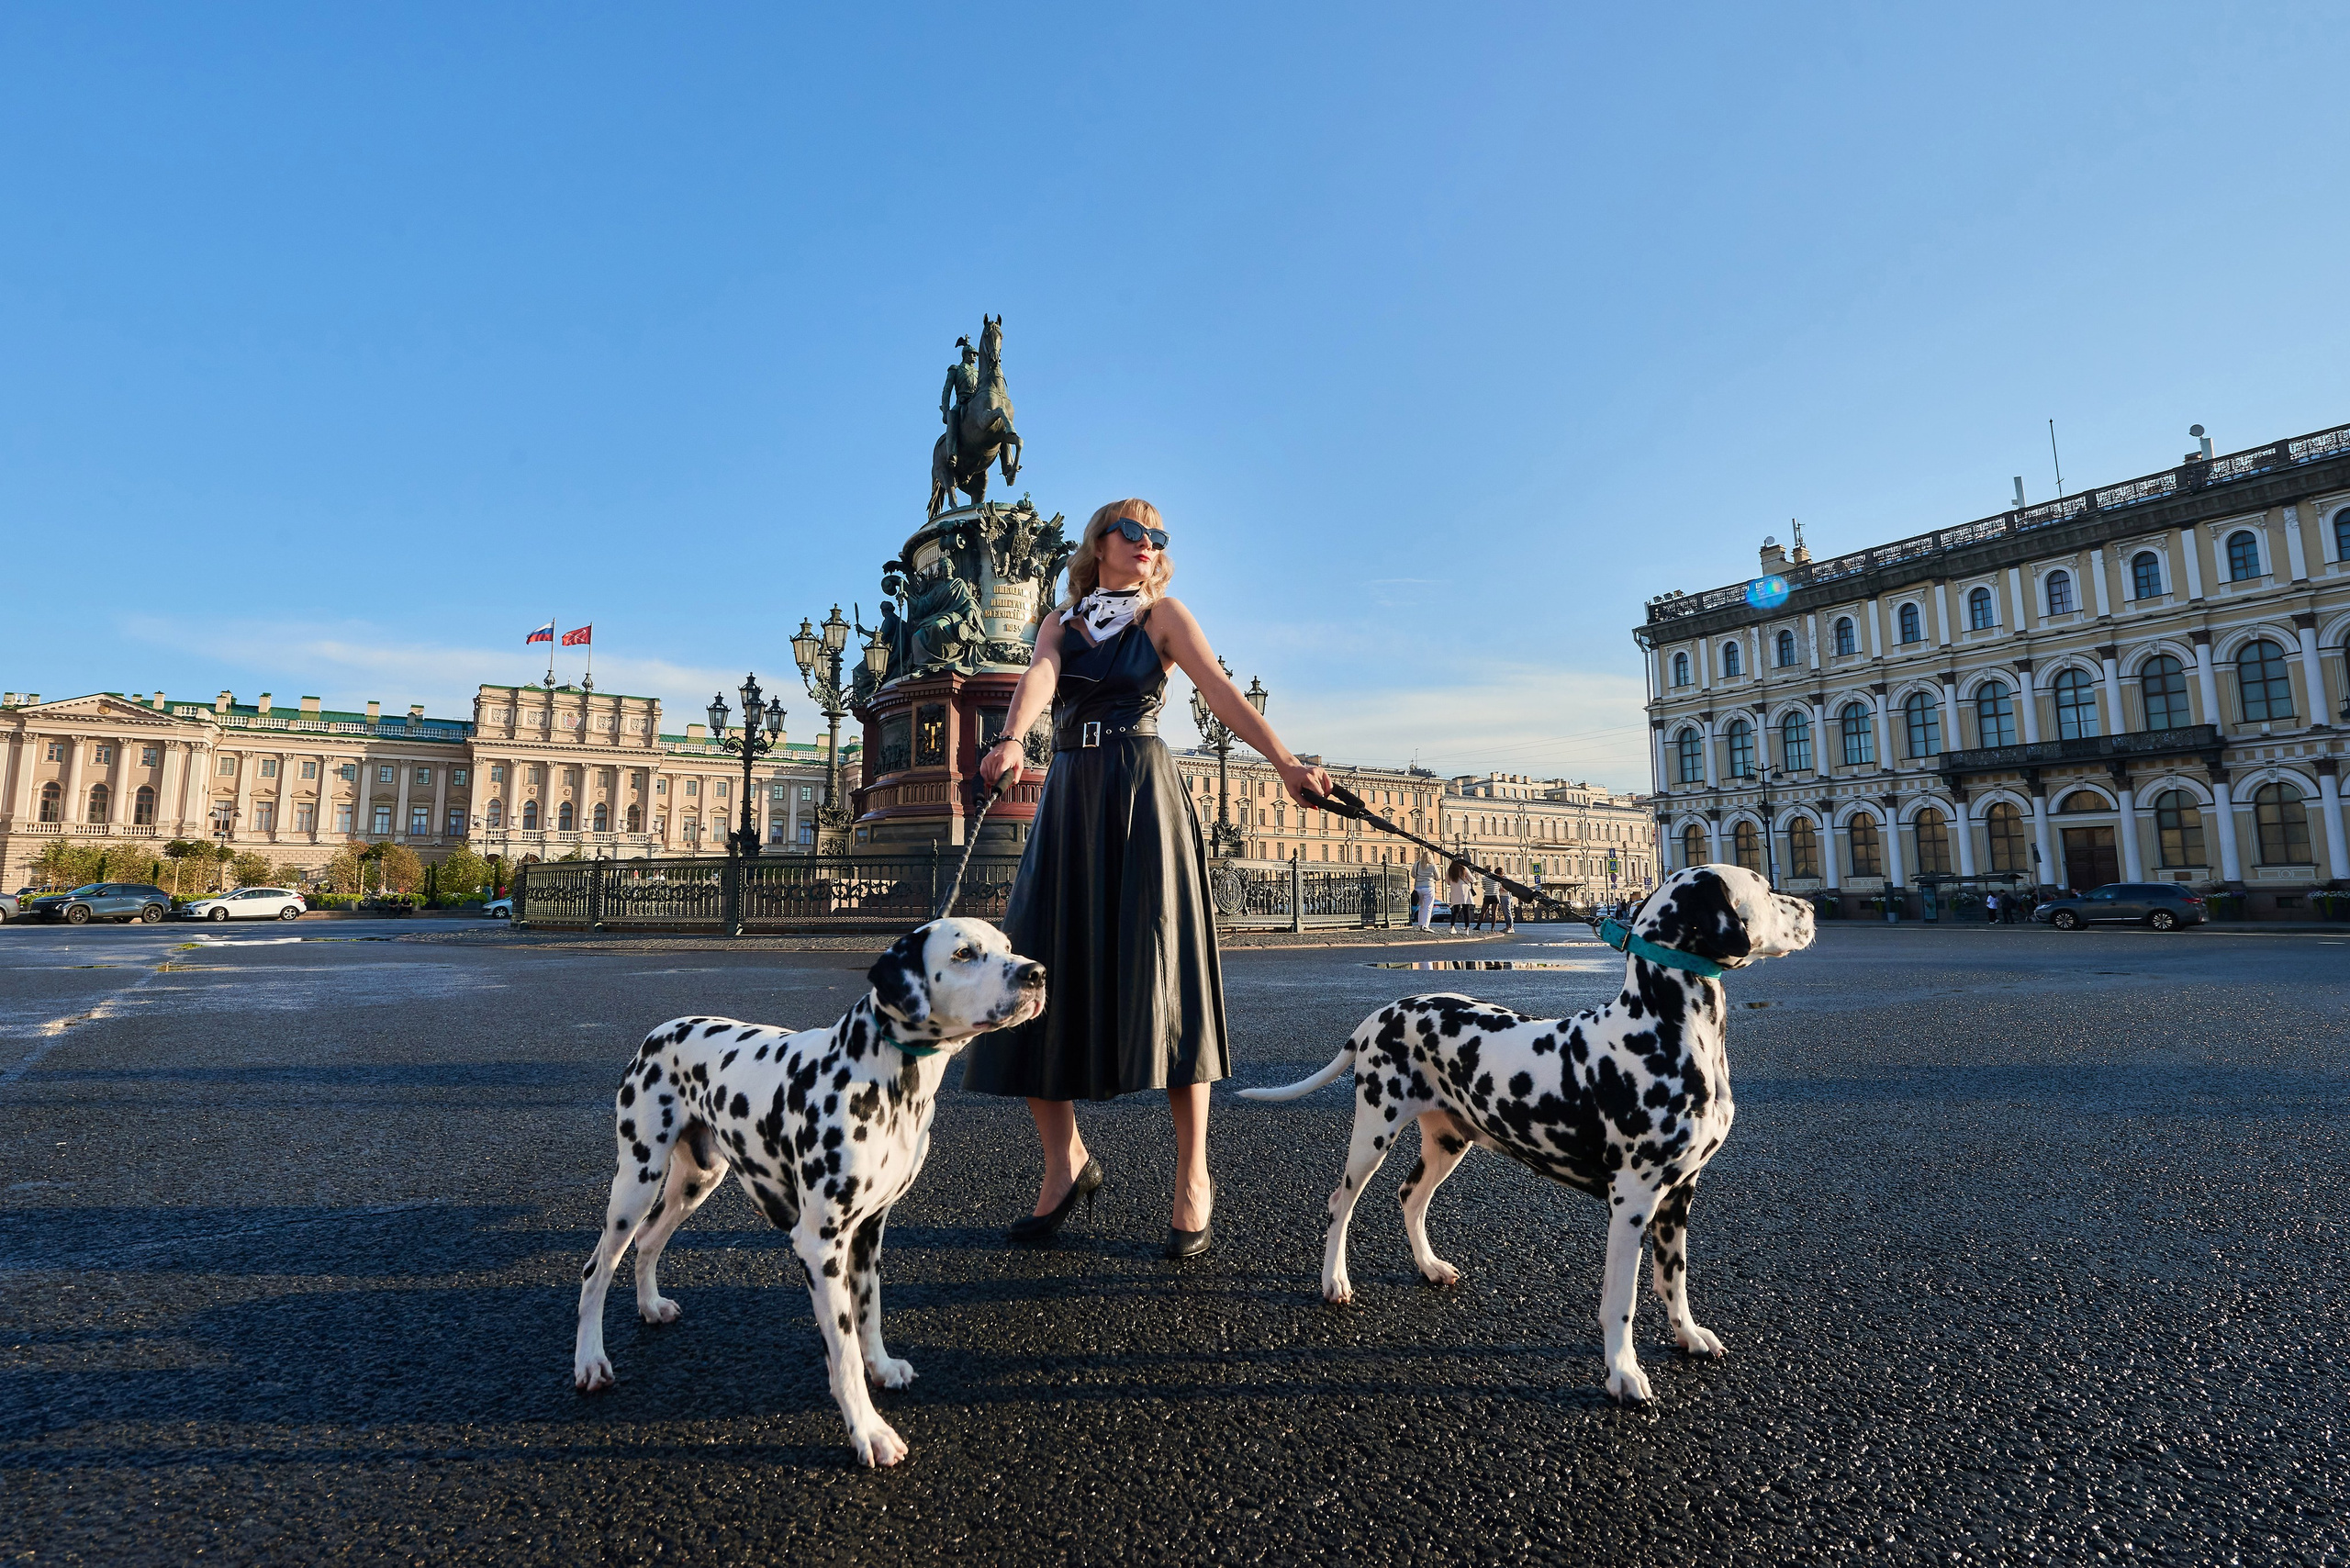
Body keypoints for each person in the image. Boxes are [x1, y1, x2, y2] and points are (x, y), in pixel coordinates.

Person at [966, 499, 1332, 1261]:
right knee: (1038, 968)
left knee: (1167, 977)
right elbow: (1039, 679)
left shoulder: (1161, 618)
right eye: (1131, 531)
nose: (1145, 544)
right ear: (1099, 543)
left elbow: (1222, 694)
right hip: (1069, 794)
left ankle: (1193, 1174)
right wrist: (1008, 741)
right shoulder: (1062, 624)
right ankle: (1064, 1162)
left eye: (1157, 536)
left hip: (1141, 791)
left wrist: (1286, 764)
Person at [1446, 860, 1474, 931]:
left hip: (1455, 891)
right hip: (1465, 891)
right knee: (1466, 910)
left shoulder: (1450, 869)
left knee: (1456, 910)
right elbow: (1472, 879)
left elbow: (1448, 882)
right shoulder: (1464, 868)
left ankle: (1452, 927)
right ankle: (1466, 928)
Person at [1411, 853, 1437, 931]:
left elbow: (1413, 875)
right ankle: (1426, 926)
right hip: (1429, 887)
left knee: (1421, 906)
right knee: (1428, 907)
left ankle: (1421, 925)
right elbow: (1438, 877)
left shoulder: (1417, 864)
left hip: (1418, 887)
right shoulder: (1433, 866)